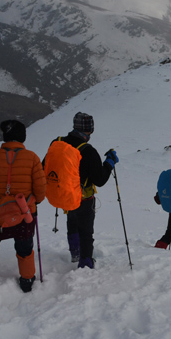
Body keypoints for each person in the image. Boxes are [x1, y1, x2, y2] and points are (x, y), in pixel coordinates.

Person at [0, 120, 47, 292]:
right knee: (24, 247)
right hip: (24, 214)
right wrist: (34, 201)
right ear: (23, 137)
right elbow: (41, 191)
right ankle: (27, 279)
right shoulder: (32, 158)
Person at [52, 112, 118, 269]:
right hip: (84, 197)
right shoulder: (88, 151)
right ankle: (86, 262)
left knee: (72, 222)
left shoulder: (57, 142)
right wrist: (109, 162)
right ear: (90, 130)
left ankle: (75, 252)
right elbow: (100, 180)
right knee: (86, 230)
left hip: (63, 194)